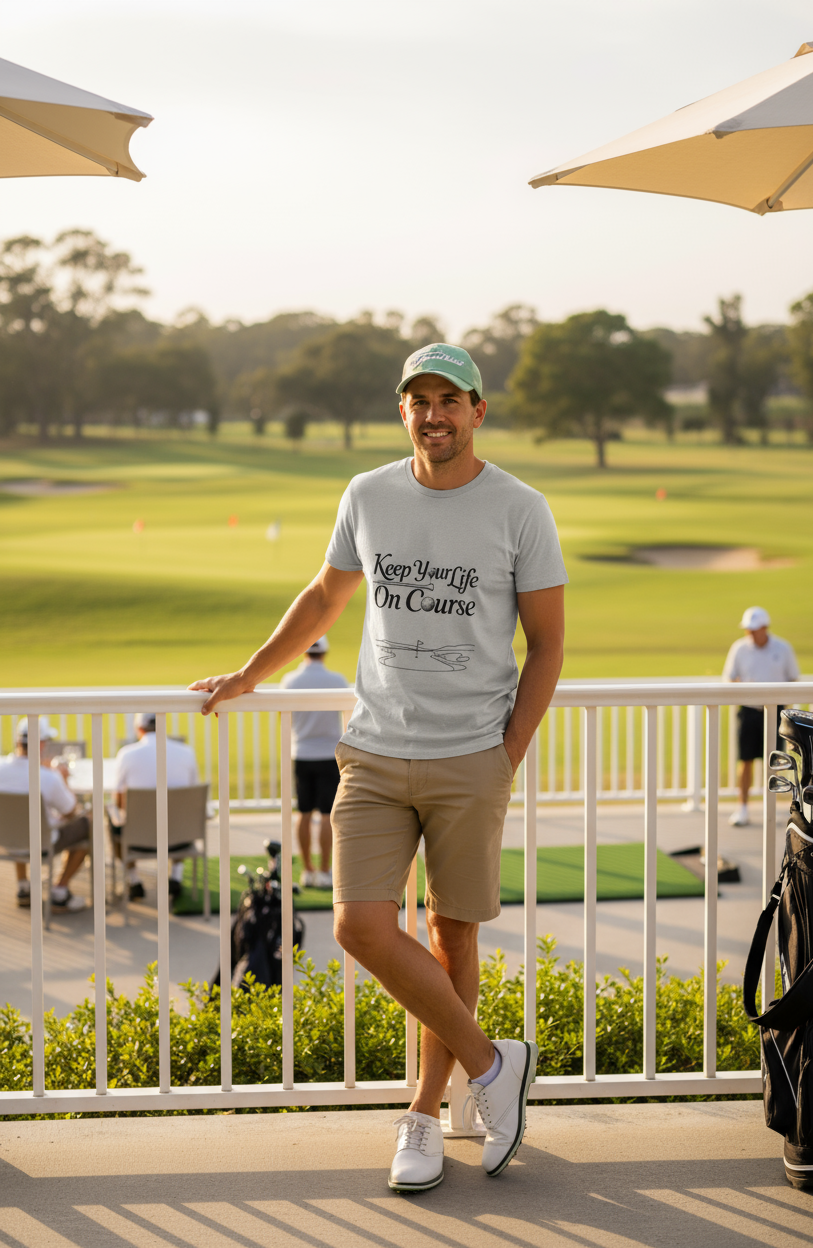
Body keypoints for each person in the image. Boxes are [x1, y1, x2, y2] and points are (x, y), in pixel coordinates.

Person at [190, 341, 567, 1192]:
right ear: (403, 411)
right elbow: (325, 596)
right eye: (418, 401)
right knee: (358, 925)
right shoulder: (367, 493)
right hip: (374, 751)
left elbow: (547, 645)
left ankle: (425, 1116)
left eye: (450, 400)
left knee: (452, 935)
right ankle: (493, 1064)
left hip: (472, 756)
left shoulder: (521, 508)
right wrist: (250, 674)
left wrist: (505, 754)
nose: (434, 415)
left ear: (477, 411)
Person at [280, 635, 349, 889]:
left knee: (304, 813)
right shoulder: (337, 680)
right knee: (328, 814)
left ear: (303, 651)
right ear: (325, 652)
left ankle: (308, 870)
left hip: (302, 753)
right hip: (330, 754)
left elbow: (283, 717)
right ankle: (324, 870)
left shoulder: (290, 681)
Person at [0, 717, 89, 912]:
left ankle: (23, 886)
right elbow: (71, 811)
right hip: (42, 842)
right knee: (87, 825)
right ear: (41, 744)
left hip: (7, 841)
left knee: (18, 823)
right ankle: (60, 891)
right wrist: (64, 780)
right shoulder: (48, 777)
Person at [723, 606, 800, 826]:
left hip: (776, 712)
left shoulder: (782, 648)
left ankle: (771, 808)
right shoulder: (739, 648)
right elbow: (729, 678)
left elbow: (793, 678)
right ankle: (743, 808)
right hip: (748, 710)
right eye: (748, 628)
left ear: (765, 627)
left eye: (754, 628)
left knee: (775, 762)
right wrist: (745, 687)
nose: (750, 632)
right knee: (745, 760)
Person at [111, 713, 200, 900]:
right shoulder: (187, 752)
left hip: (138, 840)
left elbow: (118, 801)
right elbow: (193, 798)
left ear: (139, 729)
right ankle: (176, 876)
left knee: (112, 822)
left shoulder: (126, 754)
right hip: (180, 838)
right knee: (180, 815)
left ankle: (133, 879)